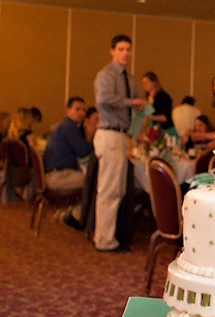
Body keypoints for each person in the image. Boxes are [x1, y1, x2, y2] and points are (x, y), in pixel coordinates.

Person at [93, 34, 145, 252]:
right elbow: (103, 99)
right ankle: (104, 240)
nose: (125, 53)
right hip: (109, 134)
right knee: (109, 190)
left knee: (119, 190)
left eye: (128, 50)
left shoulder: (129, 78)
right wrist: (130, 102)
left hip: (122, 135)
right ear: (112, 51)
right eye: (121, 49)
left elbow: (135, 104)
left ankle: (112, 236)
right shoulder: (106, 75)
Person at [43, 96, 95, 192]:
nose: (81, 113)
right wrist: (92, 137)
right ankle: (84, 207)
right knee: (95, 180)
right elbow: (83, 152)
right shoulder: (69, 127)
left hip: (53, 174)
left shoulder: (64, 126)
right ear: (67, 111)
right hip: (59, 176)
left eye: (83, 110)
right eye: (77, 109)